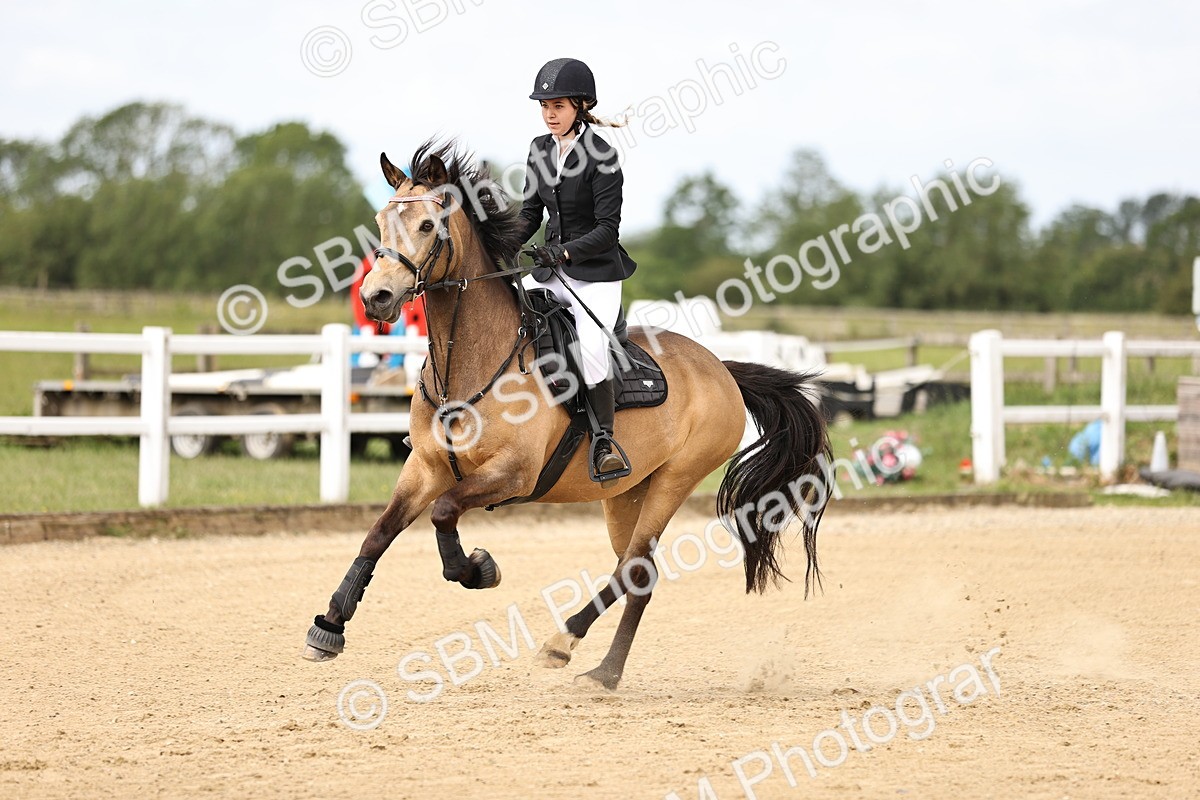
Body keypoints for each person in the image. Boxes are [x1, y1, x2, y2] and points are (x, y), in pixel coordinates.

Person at [516, 57, 637, 479]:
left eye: (559, 106)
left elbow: (607, 230)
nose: (550, 114)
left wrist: (564, 252)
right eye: (545, 106)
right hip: (552, 271)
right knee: (503, 314)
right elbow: (531, 214)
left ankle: (604, 439)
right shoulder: (539, 149)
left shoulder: (602, 156)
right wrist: (502, 244)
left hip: (596, 275)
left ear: (580, 106)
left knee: (589, 344)